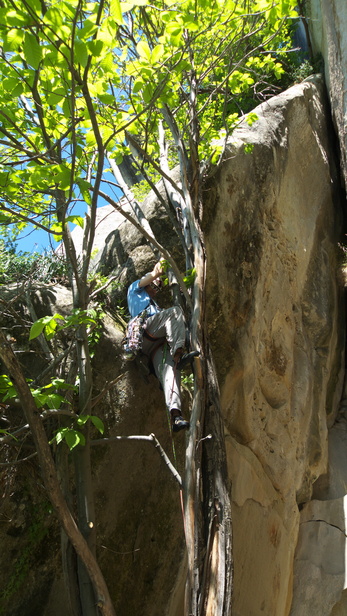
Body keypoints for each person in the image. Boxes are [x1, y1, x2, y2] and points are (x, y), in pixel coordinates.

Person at [127, 261, 198, 432]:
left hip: (154, 346)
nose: (155, 291)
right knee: (174, 312)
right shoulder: (135, 290)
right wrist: (161, 265)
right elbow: (153, 274)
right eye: (153, 287)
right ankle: (178, 353)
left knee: (171, 373)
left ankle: (176, 416)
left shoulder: (154, 304)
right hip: (145, 330)